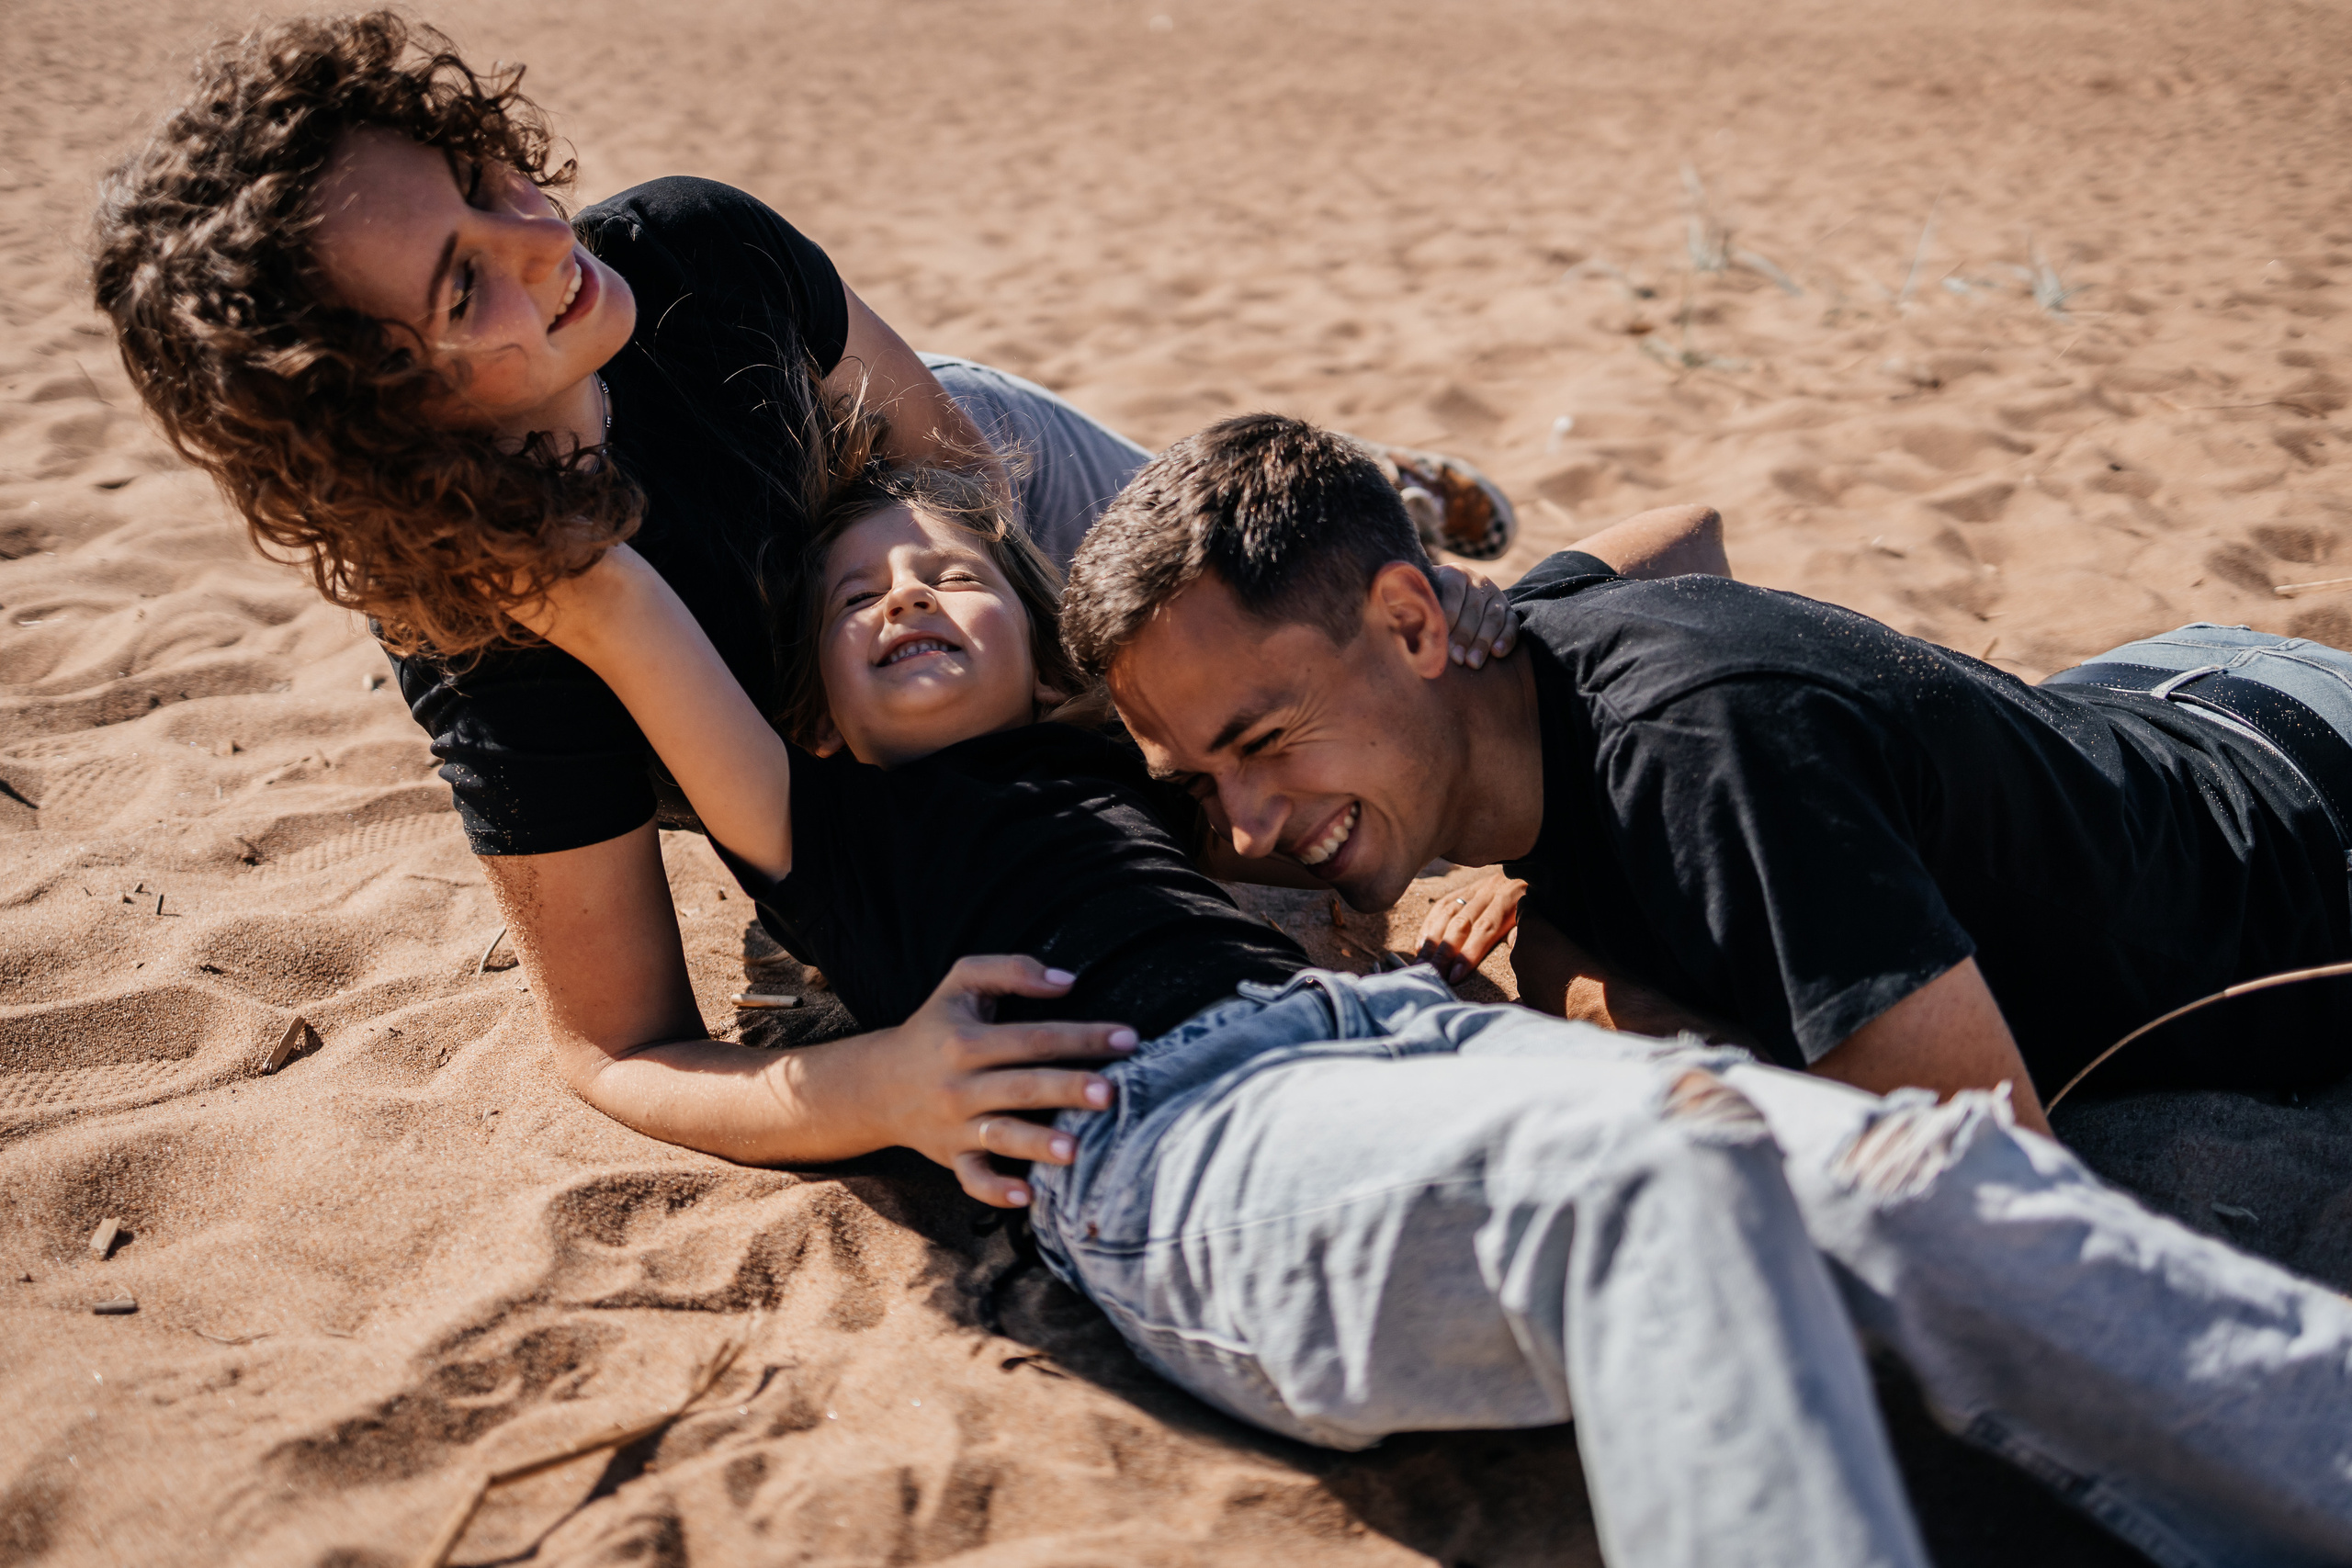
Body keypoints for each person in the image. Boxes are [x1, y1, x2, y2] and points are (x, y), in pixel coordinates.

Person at [509, 418, 2350, 1567]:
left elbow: (1656, 544)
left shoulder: (1152, 779)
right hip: (1181, 1119)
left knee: (1908, 1174)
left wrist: (1452, 571)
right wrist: (892, 1078)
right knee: (1677, 1183)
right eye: (856, 600)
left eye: (944, 566)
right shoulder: (825, 819)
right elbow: (620, 619)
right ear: (811, 709)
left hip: (1397, 1037)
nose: (907, 591)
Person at [88, 11, 1519, 1088]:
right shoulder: (485, 636)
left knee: (1339, 679)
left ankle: (1373, 494)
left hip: (980, 518)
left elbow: (968, 494)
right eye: (466, 286)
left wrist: (1157, 797)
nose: (538, 235)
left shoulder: (690, 252)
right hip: (841, 703)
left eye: (481, 172)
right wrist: (869, 1087)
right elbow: (618, 1044)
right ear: (371, 405)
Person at [1068, 415, 2352, 1138]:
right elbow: (1687, 523)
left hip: (2310, 814)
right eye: (1196, 778)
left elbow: (1990, 1177)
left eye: (1262, 739)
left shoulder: (1708, 767)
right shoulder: (1517, 650)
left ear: (1409, 625)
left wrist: (1567, 990)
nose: (1240, 828)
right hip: (2154, 691)